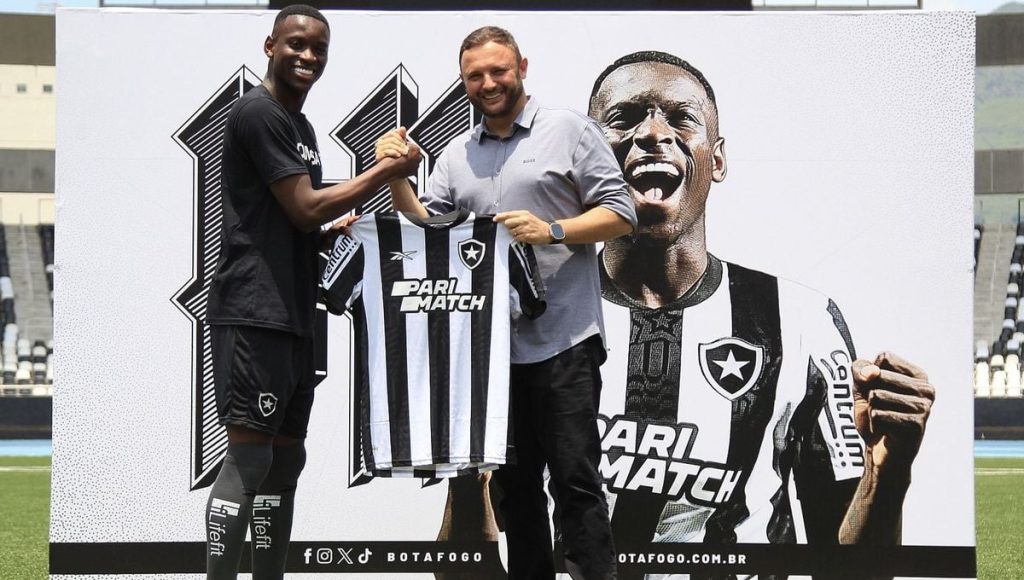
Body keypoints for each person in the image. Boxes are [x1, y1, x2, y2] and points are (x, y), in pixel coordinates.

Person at [586, 51, 936, 577]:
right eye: (625, 117)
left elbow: (852, 569)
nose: (653, 132)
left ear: (718, 160)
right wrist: (468, 467)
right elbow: (466, 563)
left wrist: (887, 475)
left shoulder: (802, 321)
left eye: (681, 117)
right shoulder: (528, 320)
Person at [376, 25, 637, 580]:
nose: (488, 83)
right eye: (475, 75)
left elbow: (622, 212)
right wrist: (399, 178)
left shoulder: (568, 130)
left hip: (566, 343)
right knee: (516, 495)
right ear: (464, 82)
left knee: (577, 485)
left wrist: (554, 230)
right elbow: (429, 229)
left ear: (522, 64)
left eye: (498, 70)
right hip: (492, 357)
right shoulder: (456, 155)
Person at [203, 5, 421, 579]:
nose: (308, 56)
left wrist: (330, 229)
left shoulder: (298, 128)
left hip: (296, 315)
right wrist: (388, 171)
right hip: (256, 312)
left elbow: (295, 216)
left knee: (285, 460)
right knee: (250, 457)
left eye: (318, 48)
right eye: (296, 44)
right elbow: (301, 208)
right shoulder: (259, 112)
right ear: (269, 45)